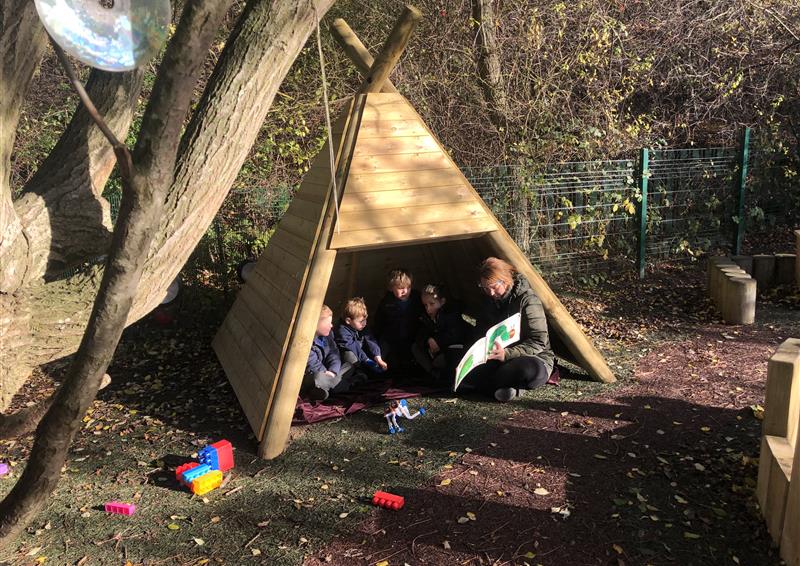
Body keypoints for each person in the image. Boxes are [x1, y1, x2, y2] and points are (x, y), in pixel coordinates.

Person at [461, 257, 555, 402]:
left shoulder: (528, 300)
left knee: (524, 369)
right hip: (496, 357)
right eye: (485, 288)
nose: (490, 292)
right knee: (461, 363)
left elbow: (539, 340)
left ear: (505, 280)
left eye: (493, 287)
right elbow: (480, 331)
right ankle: (501, 389)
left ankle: (491, 387)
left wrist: (507, 354)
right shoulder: (488, 301)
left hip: (532, 357)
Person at [412, 283, 468, 384]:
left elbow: (455, 334)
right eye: (425, 305)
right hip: (434, 352)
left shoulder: (450, 314)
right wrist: (428, 340)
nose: (428, 308)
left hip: (451, 350)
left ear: (442, 302)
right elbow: (420, 334)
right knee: (415, 348)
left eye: (432, 304)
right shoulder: (425, 316)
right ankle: (433, 373)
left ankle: (450, 377)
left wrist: (438, 341)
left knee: (450, 357)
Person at [373, 268, 424, 371]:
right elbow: (379, 322)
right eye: (400, 288)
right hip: (393, 339)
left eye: (408, 287)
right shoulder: (387, 302)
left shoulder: (417, 298)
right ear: (391, 288)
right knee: (393, 364)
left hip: (413, 337)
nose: (405, 291)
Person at [303, 305, 357, 401]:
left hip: (329, 373)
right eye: (329, 323)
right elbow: (313, 364)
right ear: (316, 324)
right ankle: (343, 385)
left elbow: (334, 354)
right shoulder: (306, 342)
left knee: (349, 364)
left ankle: (325, 389)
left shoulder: (328, 335)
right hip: (314, 374)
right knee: (318, 377)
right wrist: (325, 373)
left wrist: (333, 371)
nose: (332, 325)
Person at [334, 297, 387, 374]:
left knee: (380, 346)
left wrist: (378, 357)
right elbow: (354, 348)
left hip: (362, 355)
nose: (364, 323)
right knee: (351, 356)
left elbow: (370, 340)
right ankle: (353, 375)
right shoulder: (342, 332)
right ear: (348, 321)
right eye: (361, 321)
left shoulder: (361, 326)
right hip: (351, 357)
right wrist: (367, 361)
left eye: (365, 320)